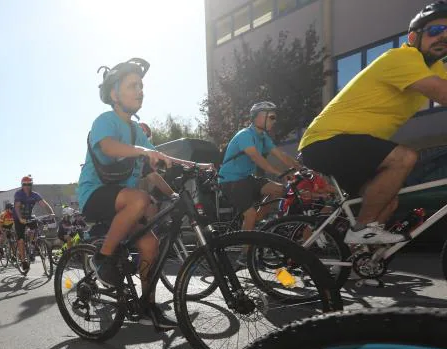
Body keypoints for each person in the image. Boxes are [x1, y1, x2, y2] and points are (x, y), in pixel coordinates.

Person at [299, 2, 447, 244]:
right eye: (435, 30)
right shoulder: (403, 57)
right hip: (326, 140)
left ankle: (360, 262)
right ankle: (362, 227)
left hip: (352, 144)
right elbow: (443, 94)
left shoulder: (437, 68)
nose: (443, 37)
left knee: (387, 201)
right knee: (404, 158)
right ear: (413, 37)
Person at [77, 57, 205, 329]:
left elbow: (155, 163)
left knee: (150, 245)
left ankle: (146, 305)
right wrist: (144, 151)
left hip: (123, 200)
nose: (140, 91)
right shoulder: (106, 120)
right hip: (95, 195)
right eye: (133, 85)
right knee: (140, 198)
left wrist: (196, 166)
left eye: (142, 86)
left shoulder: (137, 131)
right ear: (114, 93)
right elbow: (109, 147)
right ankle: (103, 257)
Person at [217, 101, 301, 232]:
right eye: (271, 117)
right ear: (258, 117)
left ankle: (257, 220)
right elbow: (256, 157)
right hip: (230, 180)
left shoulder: (263, 137)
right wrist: (280, 173)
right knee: (249, 215)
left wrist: (300, 168)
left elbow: (280, 155)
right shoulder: (245, 135)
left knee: (280, 190)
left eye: (275, 118)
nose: (274, 121)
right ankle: (245, 252)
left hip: (247, 178)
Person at [14, 175, 54, 271]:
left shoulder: (35, 195)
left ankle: (32, 246)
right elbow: (17, 207)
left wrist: (51, 213)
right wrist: (20, 219)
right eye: (25, 184)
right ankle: (23, 261)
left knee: (35, 229)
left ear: (31, 185)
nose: (27, 186)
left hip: (29, 216)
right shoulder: (19, 194)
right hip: (18, 217)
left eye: (29, 184)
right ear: (22, 185)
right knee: (21, 240)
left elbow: (44, 204)